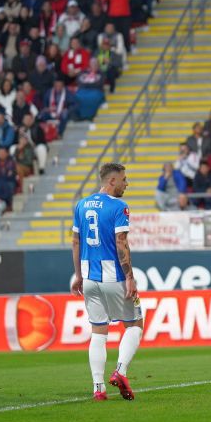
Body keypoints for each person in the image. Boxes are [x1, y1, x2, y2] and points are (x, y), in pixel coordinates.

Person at [71, 163, 143, 402]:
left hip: (89, 278)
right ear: (112, 181)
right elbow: (121, 242)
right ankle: (120, 372)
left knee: (98, 332)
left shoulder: (81, 205)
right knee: (134, 324)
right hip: (113, 276)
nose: (126, 183)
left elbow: (75, 242)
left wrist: (78, 276)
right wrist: (130, 277)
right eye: (124, 179)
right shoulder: (119, 207)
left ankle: (98, 388)